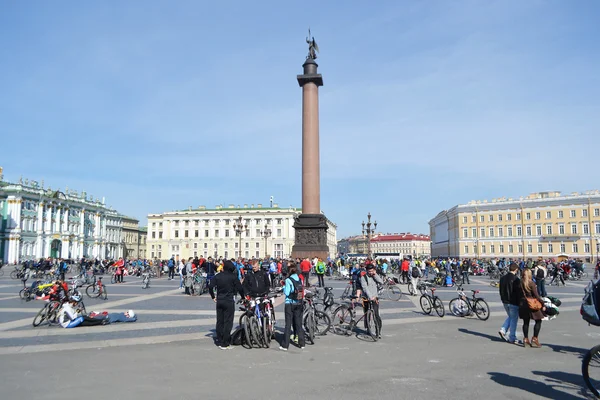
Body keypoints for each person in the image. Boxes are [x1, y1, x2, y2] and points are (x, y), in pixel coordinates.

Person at [208, 260, 244, 350]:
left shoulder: (218, 276)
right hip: (229, 300)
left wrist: (213, 296)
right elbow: (240, 288)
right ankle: (225, 343)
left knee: (220, 321)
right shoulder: (233, 277)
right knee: (228, 321)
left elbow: (210, 286)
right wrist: (243, 297)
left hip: (220, 300)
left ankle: (219, 340)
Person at [280, 264, 305, 351]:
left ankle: (285, 345)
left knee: (288, 324)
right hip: (298, 303)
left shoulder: (288, 280)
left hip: (289, 303)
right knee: (298, 324)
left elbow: (287, 292)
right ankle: (302, 343)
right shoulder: (299, 279)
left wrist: (283, 286)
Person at [519, 268, 546, 348]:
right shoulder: (531, 283)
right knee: (538, 320)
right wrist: (543, 303)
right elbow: (536, 295)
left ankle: (525, 339)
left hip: (523, 303)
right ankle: (535, 338)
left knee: (525, 322)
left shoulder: (520, 282)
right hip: (532, 303)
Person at [499, 263, 521, 345]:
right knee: (514, 319)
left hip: (505, 301)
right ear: (516, 269)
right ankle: (512, 337)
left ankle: (503, 330)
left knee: (511, 317)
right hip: (513, 302)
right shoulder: (516, 279)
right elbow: (518, 292)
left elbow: (500, 290)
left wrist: (503, 299)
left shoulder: (502, 278)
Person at [359, 265, 383, 338]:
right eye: (369, 271)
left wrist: (375, 275)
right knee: (367, 314)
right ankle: (367, 328)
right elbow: (365, 288)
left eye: (372, 271)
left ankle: (378, 331)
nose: (370, 272)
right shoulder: (363, 278)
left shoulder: (374, 276)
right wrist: (370, 297)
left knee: (376, 315)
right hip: (366, 298)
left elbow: (381, 282)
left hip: (375, 298)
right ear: (366, 271)